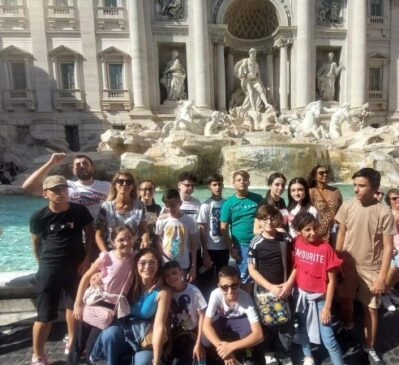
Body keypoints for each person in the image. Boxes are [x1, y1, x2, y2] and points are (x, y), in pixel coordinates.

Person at [29, 175, 95, 365]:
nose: (61, 193)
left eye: (64, 189)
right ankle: (38, 354)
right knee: (44, 314)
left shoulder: (79, 211)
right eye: (56, 190)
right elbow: (35, 242)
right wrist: (40, 262)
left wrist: (87, 259)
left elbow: (90, 235)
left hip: (76, 268)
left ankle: (72, 342)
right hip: (50, 268)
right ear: (45, 194)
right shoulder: (39, 216)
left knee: (73, 307)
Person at [335, 168, 395, 365]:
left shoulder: (384, 212)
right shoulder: (348, 206)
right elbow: (341, 234)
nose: (356, 190)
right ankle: (348, 325)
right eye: (354, 185)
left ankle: (369, 346)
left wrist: (381, 277)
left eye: (361, 186)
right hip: (347, 264)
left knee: (371, 309)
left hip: (371, 268)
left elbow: (388, 248)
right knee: (345, 299)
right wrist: (336, 261)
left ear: (375, 188)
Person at [90, 247, 171, 365]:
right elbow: (109, 276)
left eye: (152, 262)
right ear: (136, 265)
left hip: (144, 335)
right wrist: (97, 277)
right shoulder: (129, 282)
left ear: (158, 265)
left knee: (143, 361)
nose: (147, 267)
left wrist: (156, 360)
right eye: (142, 263)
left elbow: (159, 326)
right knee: (109, 334)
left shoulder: (162, 292)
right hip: (123, 328)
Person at [68, 224, 135, 364]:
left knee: (92, 345)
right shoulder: (107, 257)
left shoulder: (135, 259)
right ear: (113, 242)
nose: (126, 242)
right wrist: (78, 303)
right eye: (121, 240)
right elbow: (86, 277)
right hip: (95, 302)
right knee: (77, 342)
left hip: (111, 309)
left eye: (129, 238)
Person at [286, 212, 344, 365]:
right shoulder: (297, 242)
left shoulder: (326, 249)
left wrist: (327, 307)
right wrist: (288, 286)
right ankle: (308, 356)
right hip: (301, 296)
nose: (313, 233)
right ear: (299, 231)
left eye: (314, 228)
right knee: (302, 329)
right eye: (307, 230)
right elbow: (297, 266)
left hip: (320, 300)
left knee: (328, 338)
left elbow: (332, 282)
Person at [248, 205, 293, 365]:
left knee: (286, 322)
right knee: (266, 322)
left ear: (279, 219)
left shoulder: (286, 239)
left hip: (285, 287)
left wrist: (289, 284)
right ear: (259, 221)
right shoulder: (255, 242)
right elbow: (252, 270)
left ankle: (284, 353)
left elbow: (295, 264)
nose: (269, 221)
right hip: (264, 289)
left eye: (273, 218)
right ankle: (269, 352)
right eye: (264, 218)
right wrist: (270, 287)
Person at [202, 266, 264, 365]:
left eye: (234, 285)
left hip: (240, 319)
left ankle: (247, 353)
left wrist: (230, 347)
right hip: (223, 318)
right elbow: (206, 326)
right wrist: (225, 352)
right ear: (219, 286)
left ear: (239, 283)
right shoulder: (215, 294)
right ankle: (214, 355)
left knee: (249, 333)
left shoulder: (246, 299)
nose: (230, 291)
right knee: (205, 338)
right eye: (225, 287)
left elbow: (259, 335)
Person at [22, 152, 111, 220]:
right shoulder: (64, 186)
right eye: (77, 164)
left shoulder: (108, 186)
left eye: (85, 163)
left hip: (101, 234)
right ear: (73, 170)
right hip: (74, 235)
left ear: (93, 168)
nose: (82, 166)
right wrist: (50, 163)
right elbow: (29, 187)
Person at [220, 170, 263, 291]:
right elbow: (223, 229)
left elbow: (265, 217)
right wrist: (231, 249)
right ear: (233, 183)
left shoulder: (257, 198)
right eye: (239, 180)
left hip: (259, 242)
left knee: (262, 273)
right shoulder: (229, 203)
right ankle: (247, 303)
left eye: (244, 179)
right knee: (245, 278)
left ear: (249, 182)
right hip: (242, 246)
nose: (242, 182)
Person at [163, 260, 207, 365]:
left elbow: (202, 316)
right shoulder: (167, 293)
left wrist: (199, 343)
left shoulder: (193, 291)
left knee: (196, 357)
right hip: (176, 333)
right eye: (167, 275)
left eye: (174, 273)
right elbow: (167, 319)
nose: (171, 277)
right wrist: (169, 342)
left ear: (181, 273)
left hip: (194, 332)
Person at [95, 170, 149, 252]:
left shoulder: (140, 206)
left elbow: (144, 229)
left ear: (132, 186)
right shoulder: (106, 207)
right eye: (120, 181)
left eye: (128, 182)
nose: (124, 184)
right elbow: (99, 234)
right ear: (115, 185)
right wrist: (106, 254)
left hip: (134, 251)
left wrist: (145, 240)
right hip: (112, 251)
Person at [156, 189, 198, 282]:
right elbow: (158, 240)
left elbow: (193, 245)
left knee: (181, 287)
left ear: (180, 203)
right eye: (167, 206)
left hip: (183, 263)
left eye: (173, 206)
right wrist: (162, 255)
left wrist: (193, 266)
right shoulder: (161, 221)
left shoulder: (189, 221)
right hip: (165, 263)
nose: (170, 209)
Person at [197, 174, 228, 276]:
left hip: (224, 248)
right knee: (207, 277)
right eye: (214, 185)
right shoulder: (205, 205)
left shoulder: (227, 203)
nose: (217, 187)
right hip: (210, 248)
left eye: (219, 184)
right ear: (209, 187)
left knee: (223, 277)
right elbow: (202, 228)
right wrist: (205, 252)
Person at [307, 165, 342, 243]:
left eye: (327, 172)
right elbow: (308, 214)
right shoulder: (311, 192)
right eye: (321, 173)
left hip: (334, 230)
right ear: (315, 176)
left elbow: (342, 210)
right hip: (319, 233)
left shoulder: (336, 191)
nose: (325, 174)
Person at [381, 188, 399, 311]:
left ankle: (388, 292)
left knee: (396, 273)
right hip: (392, 246)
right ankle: (384, 295)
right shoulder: (387, 213)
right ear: (389, 201)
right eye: (394, 198)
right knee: (393, 269)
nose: (397, 200)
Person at [235, 48, 270, 112]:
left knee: (261, 90)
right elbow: (242, 67)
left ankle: (266, 104)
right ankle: (253, 108)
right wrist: (245, 74)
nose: (253, 54)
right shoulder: (247, 60)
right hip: (248, 79)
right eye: (251, 53)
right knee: (250, 93)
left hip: (254, 79)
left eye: (254, 53)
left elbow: (258, 73)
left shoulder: (256, 64)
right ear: (249, 53)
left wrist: (258, 79)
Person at [138, 179, 162, 246]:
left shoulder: (159, 209)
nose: (148, 192)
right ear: (139, 191)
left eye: (150, 189)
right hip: (138, 245)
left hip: (154, 246)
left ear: (154, 191)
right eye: (144, 189)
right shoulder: (134, 209)